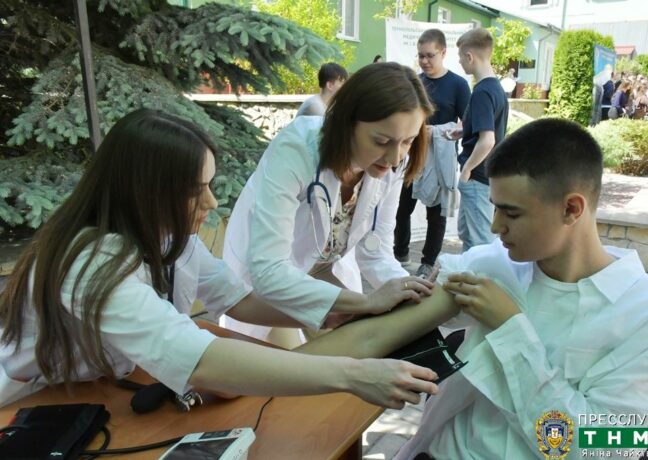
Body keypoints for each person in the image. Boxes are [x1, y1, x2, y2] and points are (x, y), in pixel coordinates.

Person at [0, 109, 442, 408]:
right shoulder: (91, 262)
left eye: (210, 185)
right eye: (196, 191)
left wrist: (341, 310)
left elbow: (239, 301)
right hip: (35, 401)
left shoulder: (173, 239)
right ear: (146, 192)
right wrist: (351, 375)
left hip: (101, 387)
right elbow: (202, 361)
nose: (212, 203)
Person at [395, 118, 648, 459]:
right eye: (495, 207)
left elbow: (601, 449)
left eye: (512, 214)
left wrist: (511, 331)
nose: (495, 226)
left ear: (571, 209)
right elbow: (400, 320)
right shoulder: (495, 264)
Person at [224, 62, 435, 342]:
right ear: (347, 123)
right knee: (274, 361)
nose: (395, 157)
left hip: (324, 270)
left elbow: (375, 252)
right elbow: (269, 271)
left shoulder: (392, 164)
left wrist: (410, 290)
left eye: (408, 141)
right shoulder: (296, 148)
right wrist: (366, 302)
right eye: (382, 141)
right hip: (264, 278)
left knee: (351, 347)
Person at [393, 28, 470, 279]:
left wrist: (441, 132)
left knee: (435, 215)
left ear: (443, 53)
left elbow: (467, 124)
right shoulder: (415, 83)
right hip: (412, 157)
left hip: (440, 160)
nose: (424, 61)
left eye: (429, 55)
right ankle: (399, 254)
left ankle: (428, 261)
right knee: (402, 208)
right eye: (420, 56)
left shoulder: (458, 85)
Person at [451, 27, 508, 251]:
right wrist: (464, 131)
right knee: (470, 238)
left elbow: (488, 140)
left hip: (477, 177)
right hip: (485, 176)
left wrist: (467, 169)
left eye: (460, 57)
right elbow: (491, 129)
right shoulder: (496, 88)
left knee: (479, 244)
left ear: (469, 56)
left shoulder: (482, 92)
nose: (460, 62)